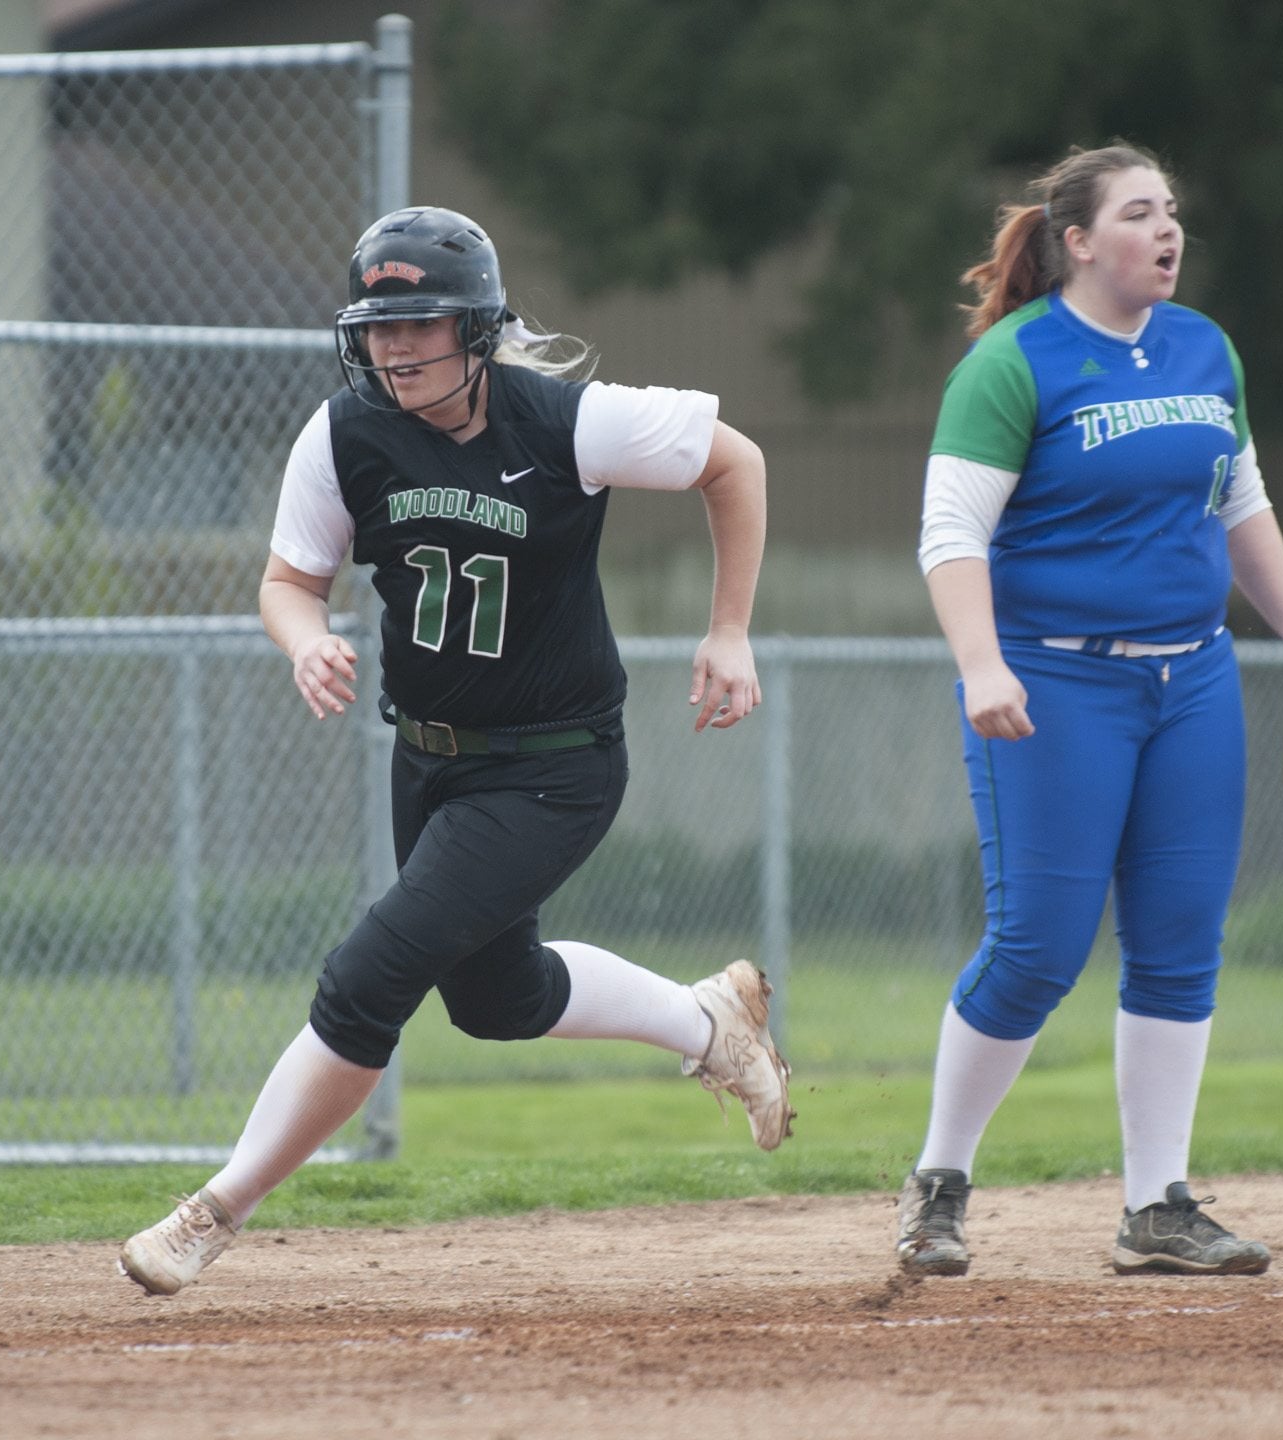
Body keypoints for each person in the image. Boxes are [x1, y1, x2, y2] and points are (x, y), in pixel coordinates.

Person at [119, 205, 789, 1296]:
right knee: (495, 1001)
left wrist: (728, 628)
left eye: (419, 322)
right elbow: (288, 583)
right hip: (428, 761)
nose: (393, 347)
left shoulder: (567, 422)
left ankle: (211, 1212)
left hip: (555, 762)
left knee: (370, 974)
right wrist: (304, 643)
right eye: (377, 326)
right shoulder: (343, 433)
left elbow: (736, 462)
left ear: (477, 326)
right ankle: (708, 1022)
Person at [898, 142, 1283, 1278]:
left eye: (1171, 213)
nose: (1166, 231)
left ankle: (1156, 1206)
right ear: (1077, 241)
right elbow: (950, 533)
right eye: (1139, 213)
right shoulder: (1016, 362)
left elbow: (1236, 501)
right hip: (1051, 684)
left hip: (1191, 678)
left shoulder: (1202, 348)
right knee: (1035, 949)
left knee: (1176, 944)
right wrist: (981, 663)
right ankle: (937, 1181)